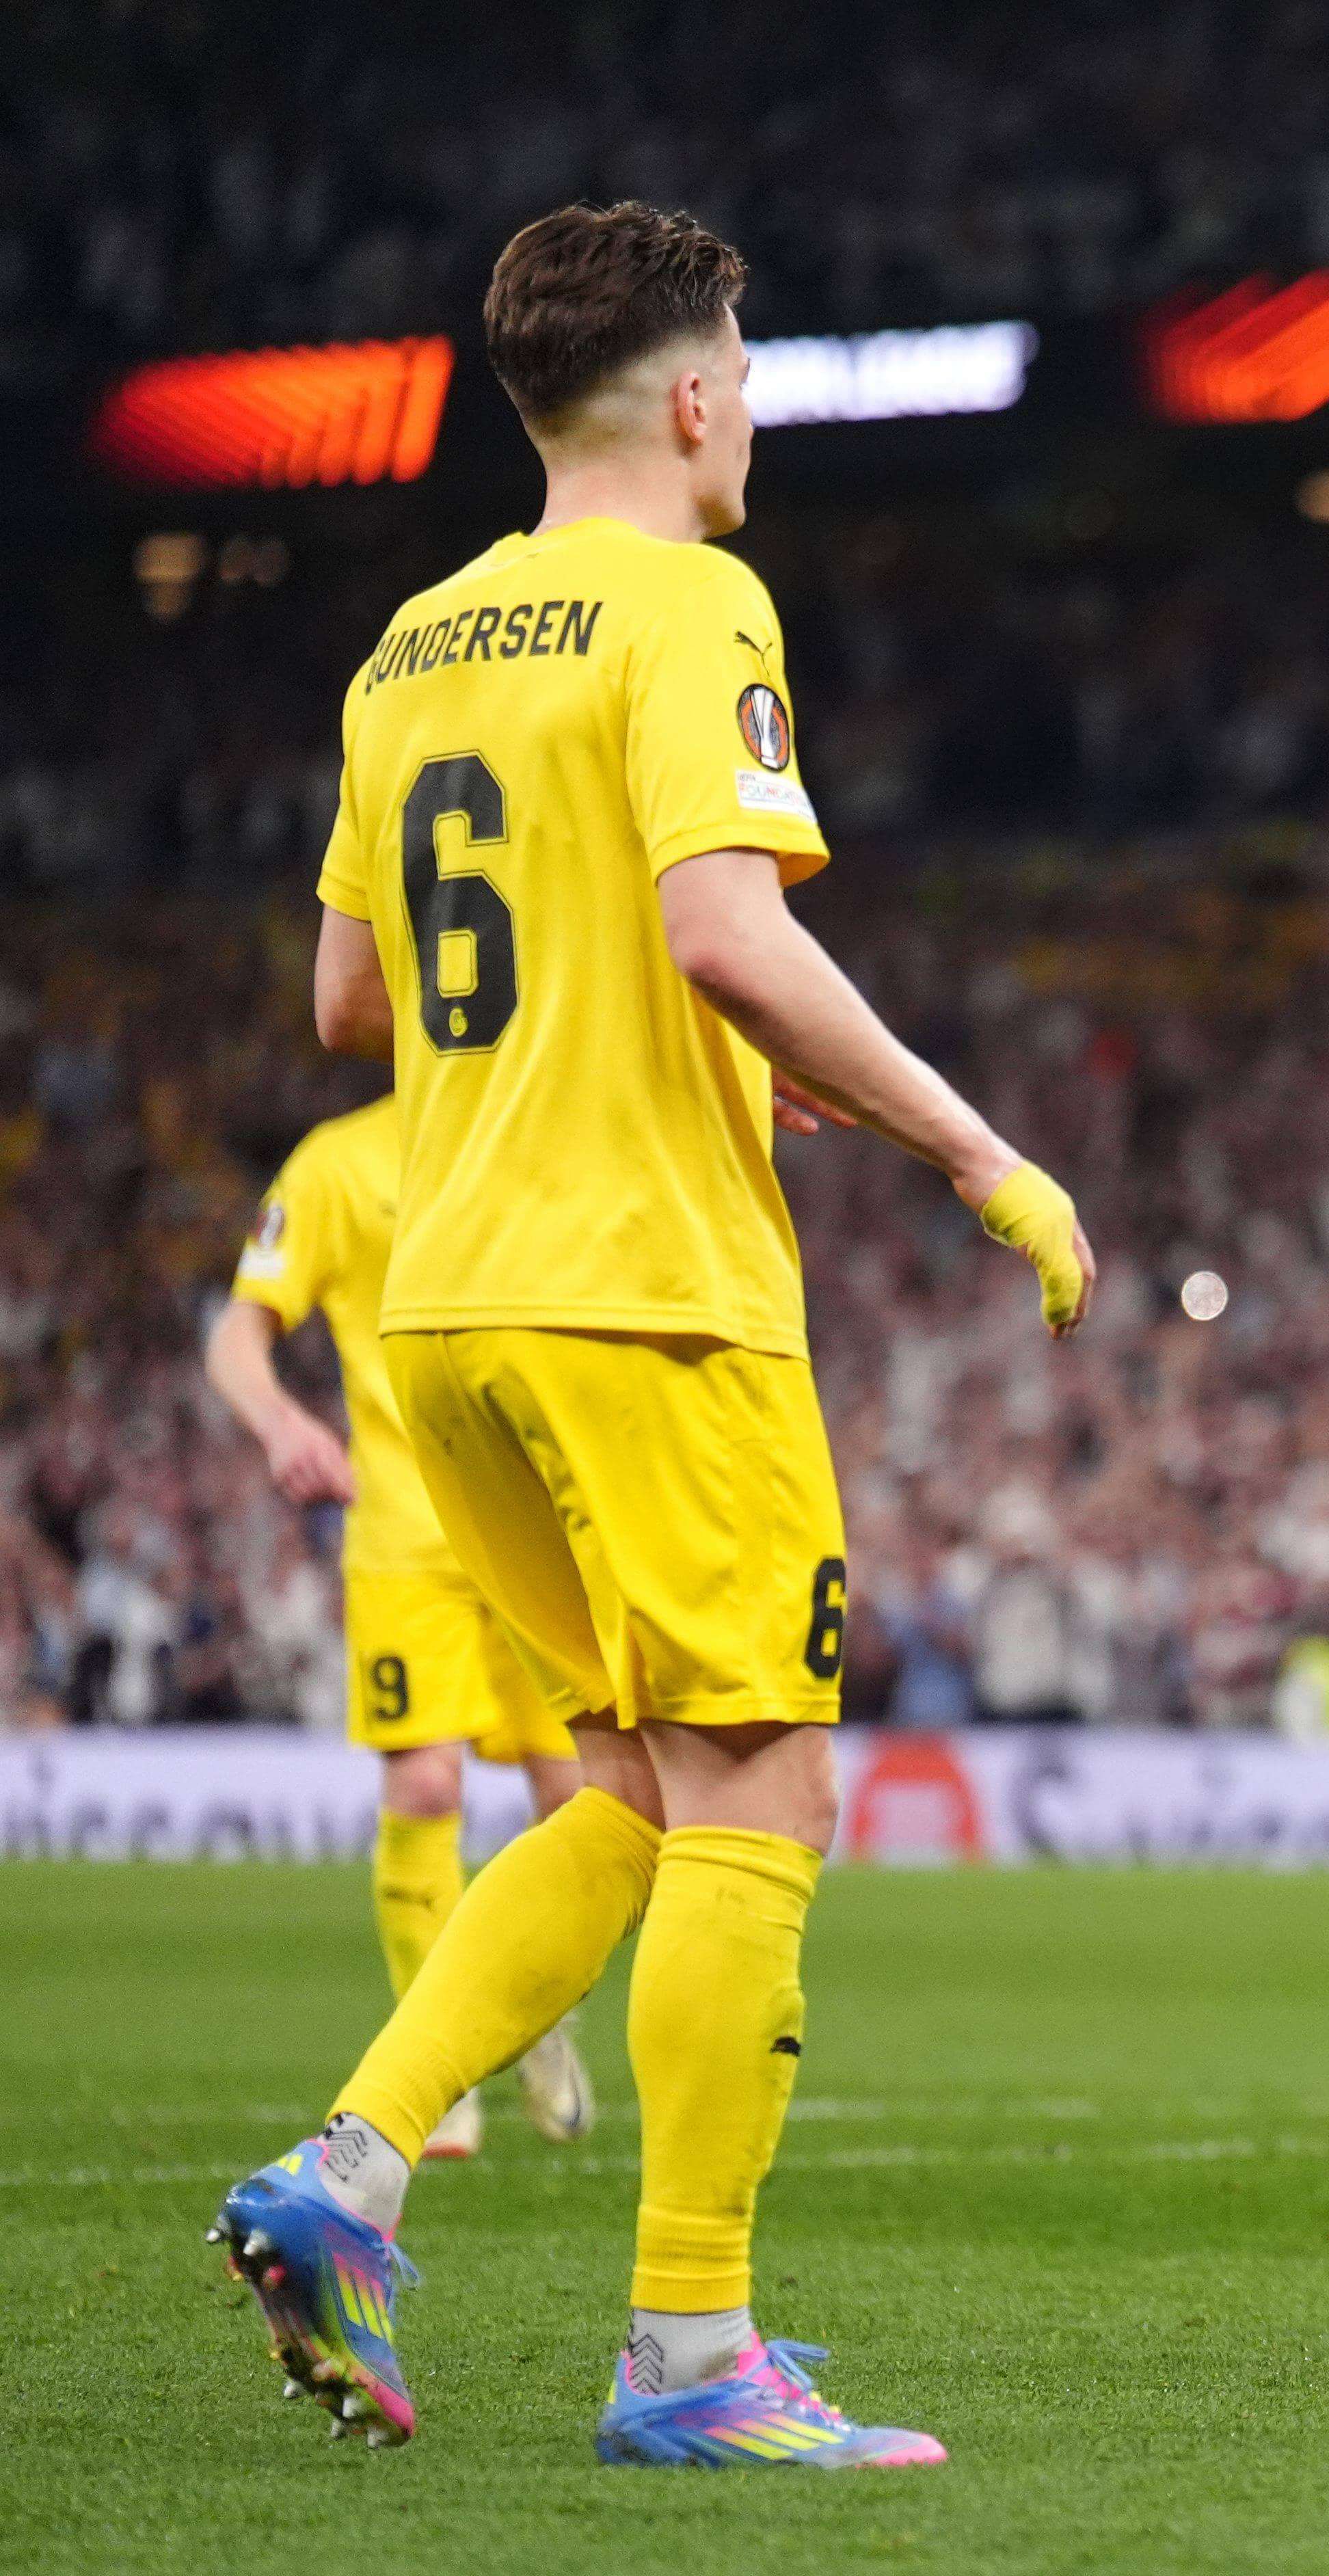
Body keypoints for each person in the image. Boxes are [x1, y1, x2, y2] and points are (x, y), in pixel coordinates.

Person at [208, 200, 1095, 2466]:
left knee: (623, 1777)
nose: (760, 417)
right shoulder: (697, 599)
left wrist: (630, 997)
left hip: (453, 1303)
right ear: (698, 391)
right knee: (766, 1787)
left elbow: (345, 998)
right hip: (646, 1288)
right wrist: (975, 1146)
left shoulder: (411, 642)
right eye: (756, 376)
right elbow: (720, 923)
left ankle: (353, 2162)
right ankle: (695, 2351)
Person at [210, 1093, 596, 2163]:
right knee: (426, 1786)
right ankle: (444, 2072)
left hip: (542, 1532)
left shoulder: (539, 1115)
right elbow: (236, 1333)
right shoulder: (337, 1164)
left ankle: (533, 2010)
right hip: (406, 1538)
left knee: (585, 1809)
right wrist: (283, 1421)